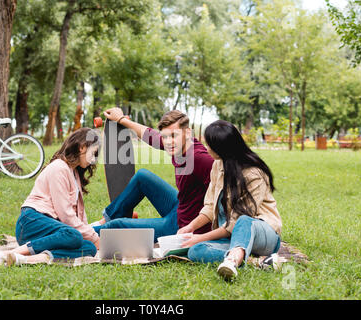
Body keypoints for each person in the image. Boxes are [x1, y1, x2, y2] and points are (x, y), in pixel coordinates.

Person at [177, 120, 282, 280]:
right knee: (195, 250)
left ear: (222, 148)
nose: (207, 147)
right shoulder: (217, 166)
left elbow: (237, 222)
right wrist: (190, 227)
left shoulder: (254, 174)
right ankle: (257, 262)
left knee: (244, 221)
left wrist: (201, 236)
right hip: (231, 237)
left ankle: (233, 261)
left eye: (210, 144)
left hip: (263, 235)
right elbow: (210, 206)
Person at [92, 108, 214, 242]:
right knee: (142, 177)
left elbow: (223, 196)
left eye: (173, 135)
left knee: (117, 226)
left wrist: (204, 234)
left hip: (183, 226)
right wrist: (121, 120)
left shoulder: (200, 159)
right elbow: (151, 136)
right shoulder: (179, 143)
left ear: (187, 133)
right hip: (181, 207)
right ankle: (106, 219)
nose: (168, 142)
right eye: (165, 136)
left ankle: (84, 234)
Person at [0, 128, 101, 266]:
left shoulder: (74, 173)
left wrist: (91, 238)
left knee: (89, 247)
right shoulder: (59, 167)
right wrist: (94, 237)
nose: (93, 160)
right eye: (93, 153)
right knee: (74, 235)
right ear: (82, 147)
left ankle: (24, 259)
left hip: (54, 232)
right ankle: (4, 254)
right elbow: (65, 213)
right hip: (32, 222)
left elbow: (79, 215)